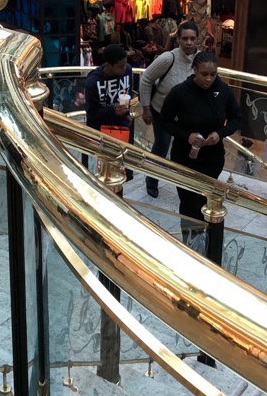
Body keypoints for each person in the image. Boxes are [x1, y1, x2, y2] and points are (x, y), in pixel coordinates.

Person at [160, 51, 240, 245]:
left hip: (212, 158)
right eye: (204, 74)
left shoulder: (223, 90)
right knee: (189, 203)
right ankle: (189, 242)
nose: (209, 79)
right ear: (194, 70)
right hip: (184, 157)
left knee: (206, 201)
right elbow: (165, 121)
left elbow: (236, 119)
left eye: (213, 74)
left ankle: (204, 239)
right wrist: (187, 136)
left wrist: (219, 134)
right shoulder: (180, 92)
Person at [139, 21, 198, 198]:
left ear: (197, 40)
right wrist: (146, 108)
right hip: (162, 112)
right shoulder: (168, 58)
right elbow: (146, 79)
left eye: (192, 38)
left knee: (185, 148)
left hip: (187, 115)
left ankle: (184, 182)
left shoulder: (200, 59)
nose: (188, 42)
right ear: (178, 39)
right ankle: (151, 180)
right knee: (162, 146)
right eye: (185, 38)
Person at [85, 44, 135, 173]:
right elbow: (91, 114)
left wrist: (126, 113)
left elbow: (128, 94)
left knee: (124, 167)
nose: (124, 68)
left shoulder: (128, 71)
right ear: (109, 64)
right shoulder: (93, 81)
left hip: (122, 128)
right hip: (102, 132)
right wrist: (113, 110)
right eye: (120, 66)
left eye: (125, 64)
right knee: (105, 170)